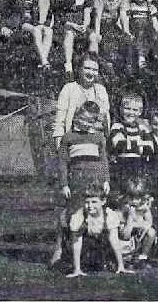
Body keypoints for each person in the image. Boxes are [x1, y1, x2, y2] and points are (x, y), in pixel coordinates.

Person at [50, 101, 109, 268]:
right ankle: (62, 251)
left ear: (94, 122)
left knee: (96, 217)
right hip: (76, 183)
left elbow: (104, 161)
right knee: (73, 216)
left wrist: (106, 181)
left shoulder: (99, 138)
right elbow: (62, 163)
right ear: (76, 116)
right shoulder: (68, 138)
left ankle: (95, 255)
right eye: (81, 118)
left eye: (89, 121)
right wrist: (64, 184)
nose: (84, 123)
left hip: (95, 183)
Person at [66, 184, 130, 277]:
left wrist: (121, 265)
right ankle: (79, 265)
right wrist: (77, 269)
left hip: (102, 246)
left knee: (106, 263)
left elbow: (114, 241)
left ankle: (113, 263)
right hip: (85, 247)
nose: (90, 206)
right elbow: (76, 243)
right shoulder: (79, 216)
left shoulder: (109, 215)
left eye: (94, 202)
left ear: (103, 201)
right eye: (87, 202)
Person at [45, 0, 95, 78]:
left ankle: (92, 62)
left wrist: (84, 25)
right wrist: (71, 25)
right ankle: (68, 66)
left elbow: (87, 15)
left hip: (80, 26)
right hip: (64, 26)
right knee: (69, 34)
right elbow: (58, 18)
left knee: (93, 37)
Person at [52, 56, 111, 149]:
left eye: (95, 70)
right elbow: (60, 123)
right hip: (75, 143)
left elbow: (106, 120)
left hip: (97, 143)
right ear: (79, 69)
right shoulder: (69, 88)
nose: (91, 73)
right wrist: (60, 150)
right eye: (87, 68)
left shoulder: (101, 90)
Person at [91, 0, 131, 83]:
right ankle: (105, 69)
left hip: (112, 26)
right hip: (99, 25)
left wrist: (126, 31)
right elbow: (97, 16)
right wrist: (97, 33)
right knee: (103, 42)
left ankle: (124, 71)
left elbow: (123, 16)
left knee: (124, 40)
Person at [107, 93, 153, 195]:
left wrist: (130, 145)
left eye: (135, 110)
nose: (131, 113)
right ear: (121, 109)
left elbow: (150, 148)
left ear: (140, 112)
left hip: (139, 165)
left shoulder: (143, 128)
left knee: (138, 191)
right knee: (122, 192)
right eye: (127, 108)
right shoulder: (117, 126)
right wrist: (140, 145)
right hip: (122, 165)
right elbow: (119, 144)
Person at [122, 0, 158, 78]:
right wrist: (126, 31)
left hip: (147, 34)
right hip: (133, 32)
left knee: (156, 37)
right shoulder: (129, 4)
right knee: (139, 30)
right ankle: (140, 59)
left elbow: (155, 23)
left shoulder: (150, 7)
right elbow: (125, 20)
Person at [118, 178, 156, 270]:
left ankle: (142, 257)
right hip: (126, 235)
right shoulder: (124, 209)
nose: (135, 201)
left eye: (138, 198)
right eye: (131, 198)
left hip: (139, 235)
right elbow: (125, 234)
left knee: (151, 232)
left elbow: (149, 222)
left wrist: (143, 225)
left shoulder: (144, 208)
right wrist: (131, 216)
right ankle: (126, 258)